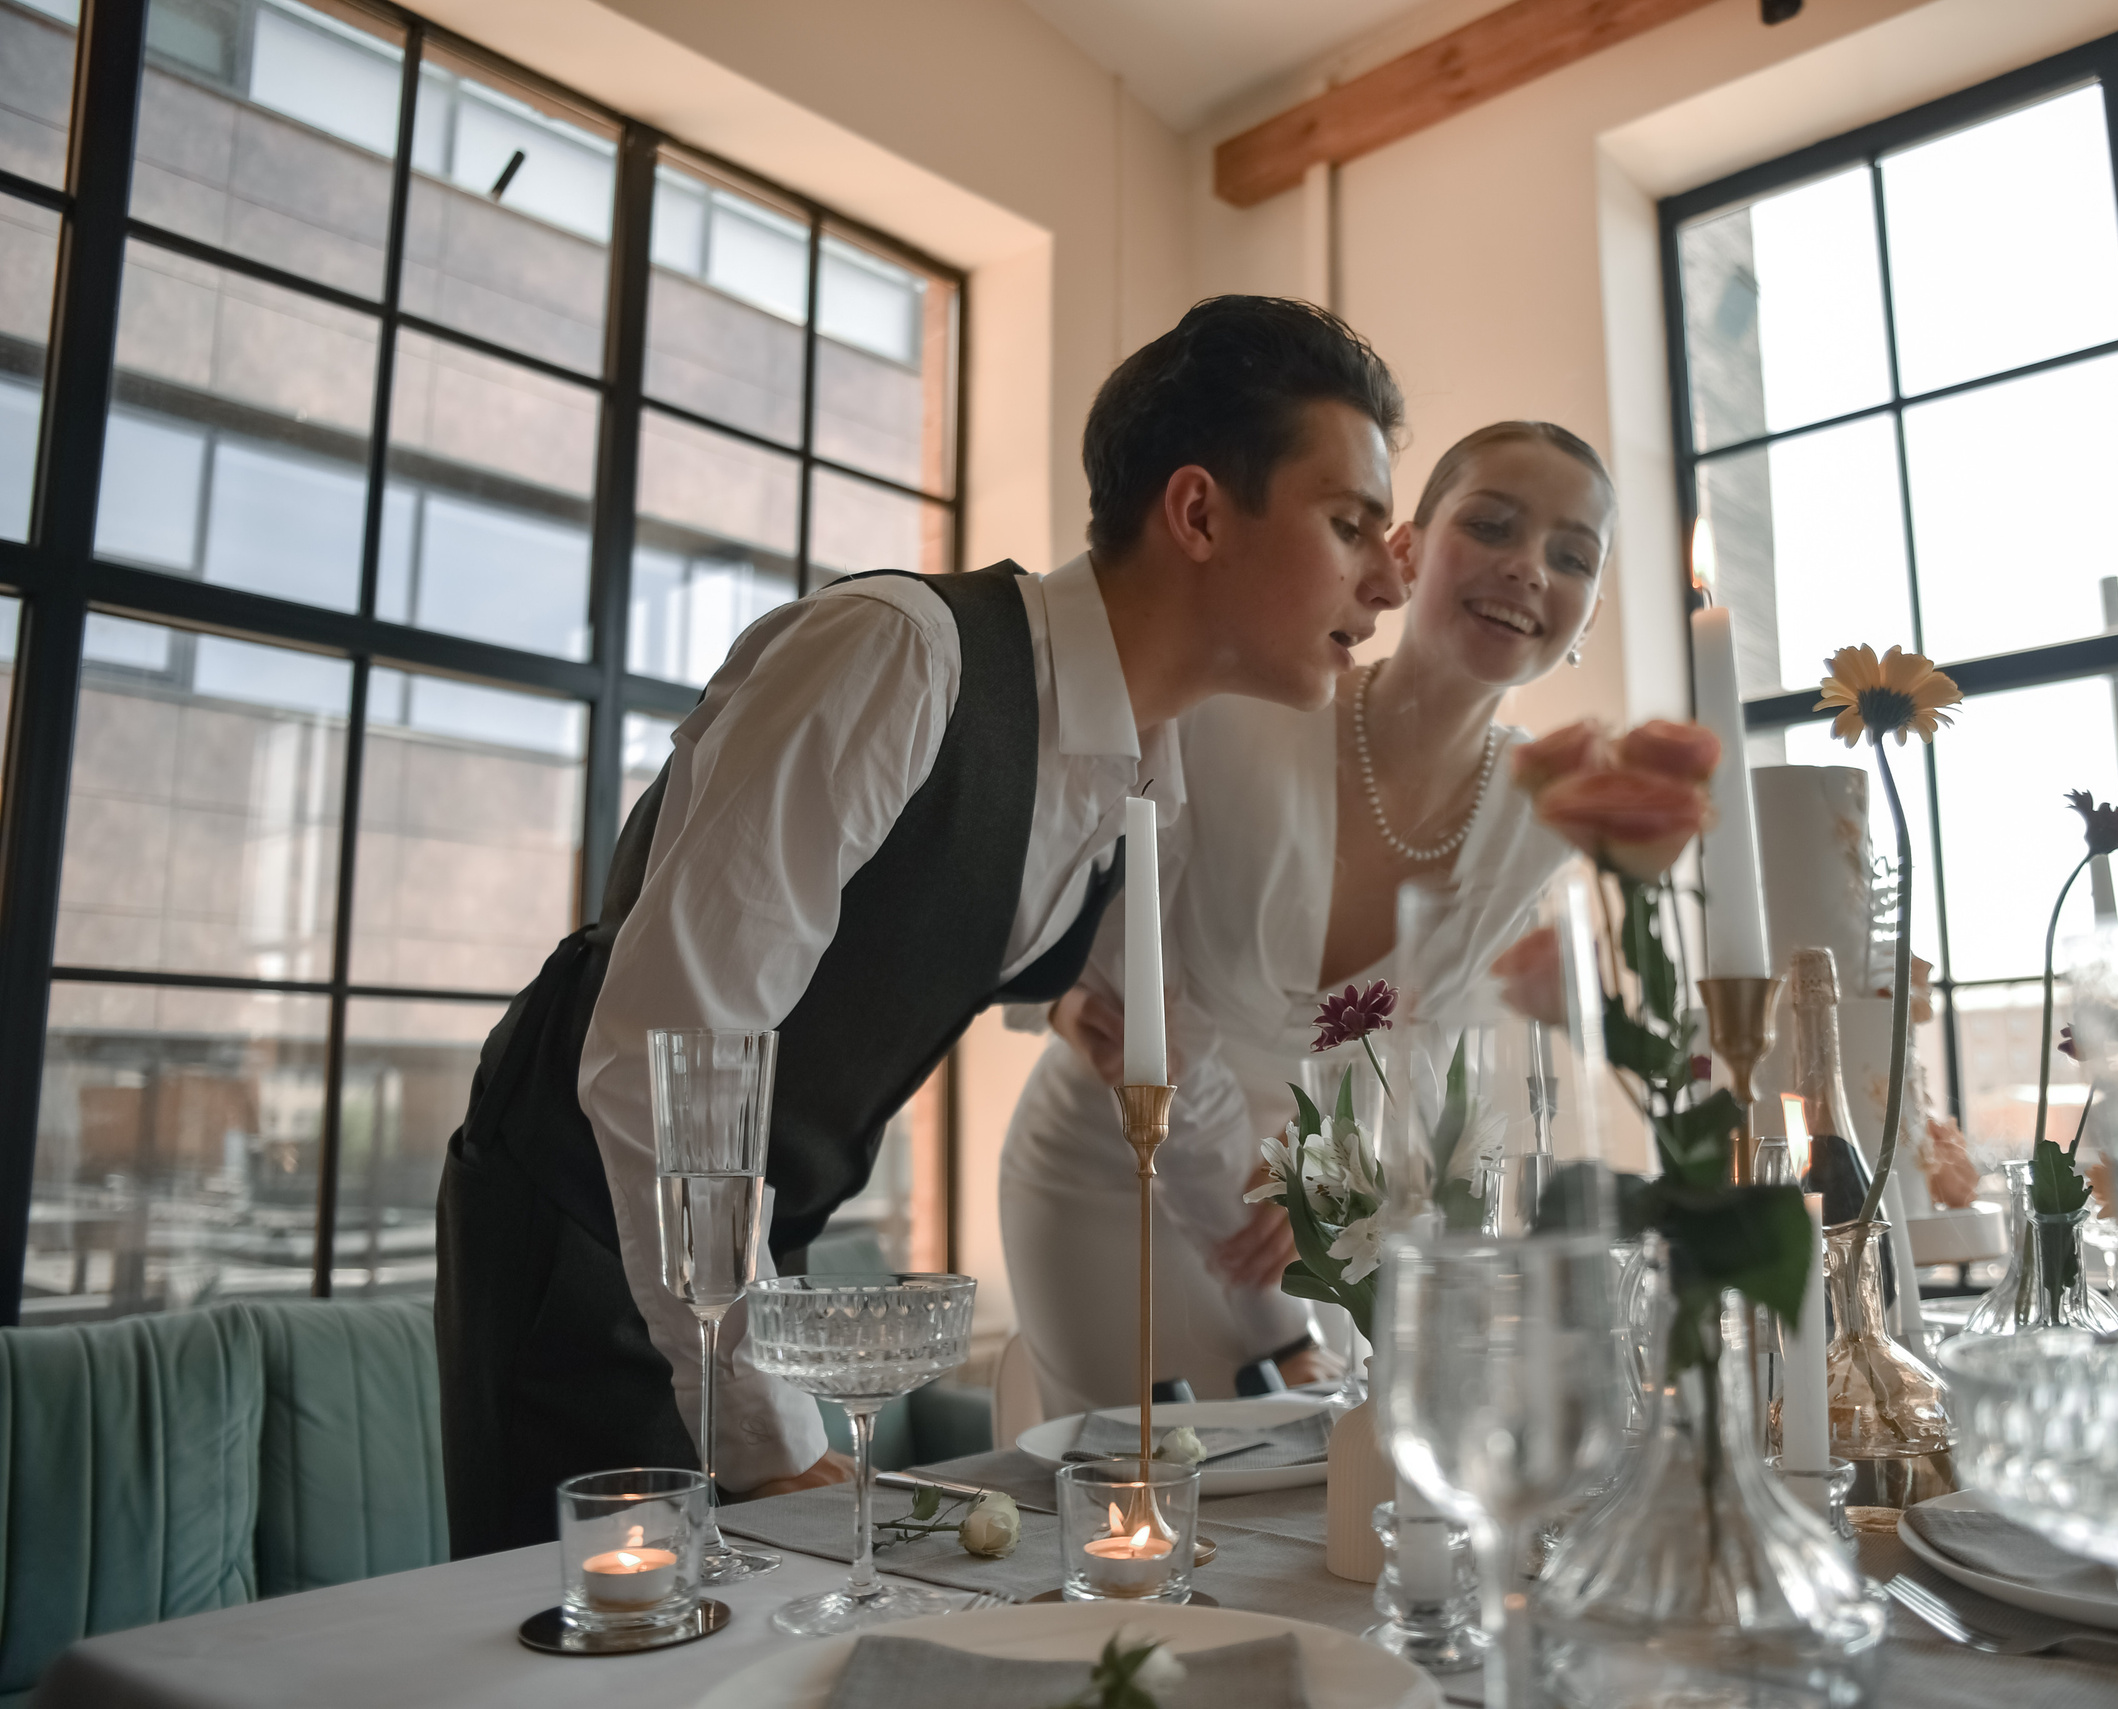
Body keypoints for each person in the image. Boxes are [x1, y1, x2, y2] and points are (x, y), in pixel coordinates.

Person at [434, 296, 1409, 1556]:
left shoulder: (1135, 782)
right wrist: (768, 1436)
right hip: (587, 1237)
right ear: (1200, 513)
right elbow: (663, 1052)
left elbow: (1165, 1066)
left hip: (747, 1261)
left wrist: (1321, 1323)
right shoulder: (897, 657)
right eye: (1350, 526)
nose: (1390, 578)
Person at [999, 422, 1617, 1416]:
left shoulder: (1541, 813)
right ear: (1406, 551)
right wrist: (1072, 992)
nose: (1527, 568)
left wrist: (1341, 1191)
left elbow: (1434, 1062)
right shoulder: (1248, 699)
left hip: (1300, 1219)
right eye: (1492, 525)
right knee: (1117, 1509)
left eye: (1571, 555)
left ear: (1584, 613)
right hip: (1114, 1165)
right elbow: (1079, 898)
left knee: (1306, 1523)